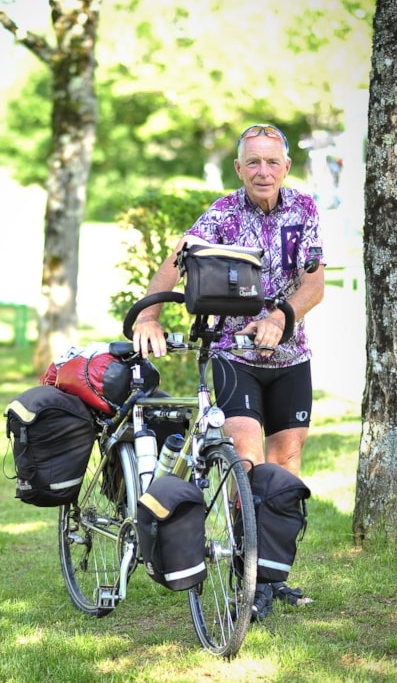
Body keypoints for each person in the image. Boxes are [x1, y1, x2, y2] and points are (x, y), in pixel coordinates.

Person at [132, 123, 325, 620]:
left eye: (272, 161)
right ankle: (248, 575)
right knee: (246, 456)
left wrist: (282, 316)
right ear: (239, 169)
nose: (263, 171)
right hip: (235, 355)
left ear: (286, 166)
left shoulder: (303, 209)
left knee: (286, 462)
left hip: (290, 356)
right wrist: (149, 314)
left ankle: (272, 575)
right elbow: (178, 262)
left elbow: (314, 284)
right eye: (253, 162)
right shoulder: (223, 212)